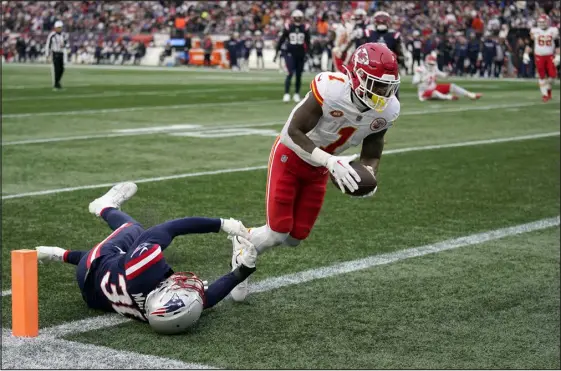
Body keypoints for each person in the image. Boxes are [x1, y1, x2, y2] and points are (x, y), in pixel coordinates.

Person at [229, 43, 401, 302]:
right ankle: (243, 251)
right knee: (278, 232)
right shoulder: (330, 89)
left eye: (387, 86)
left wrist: (370, 174)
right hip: (290, 157)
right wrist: (330, 161)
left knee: (295, 237)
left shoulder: (388, 111)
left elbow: (373, 152)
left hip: (320, 167)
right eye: (376, 84)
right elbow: (290, 133)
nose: (382, 93)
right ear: (356, 75)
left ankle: (247, 237)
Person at [35, 183, 256, 334]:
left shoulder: (142, 266)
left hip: (97, 263)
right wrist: (243, 270)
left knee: (134, 229)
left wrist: (222, 224)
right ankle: (58, 254)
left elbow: (171, 227)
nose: (187, 285)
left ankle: (103, 206)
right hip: (94, 296)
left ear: (162, 293)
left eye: (180, 289)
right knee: (119, 257)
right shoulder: (159, 313)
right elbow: (208, 299)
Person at [273, 9, 311, 103]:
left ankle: (296, 94)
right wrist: (276, 53)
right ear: (293, 18)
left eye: (299, 18)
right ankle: (286, 93)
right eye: (296, 18)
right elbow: (281, 40)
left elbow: (308, 42)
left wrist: (308, 53)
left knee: (298, 75)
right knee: (290, 73)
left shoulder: (305, 27)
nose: (298, 19)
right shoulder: (288, 27)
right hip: (290, 53)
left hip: (300, 53)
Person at [413, 54, 482, 101]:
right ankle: (449, 97)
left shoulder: (434, 68)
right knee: (435, 92)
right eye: (430, 64)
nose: (432, 65)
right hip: (424, 92)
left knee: (452, 86)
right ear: (426, 62)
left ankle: (470, 95)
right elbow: (414, 82)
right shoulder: (420, 70)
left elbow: (443, 76)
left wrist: (449, 72)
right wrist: (421, 80)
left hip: (434, 88)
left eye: (433, 64)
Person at [530, 14, 559, 102]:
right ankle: (545, 95)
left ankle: (548, 90)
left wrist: (558, 55)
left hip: (550, 55)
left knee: (553, 76)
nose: (542, 24)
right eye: (540, 22)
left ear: (548, 22)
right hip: (539, 55)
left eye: (543, 22)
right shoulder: (534, 30)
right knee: (541, 76)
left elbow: (557, 44)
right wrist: (526, 53)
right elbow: (530, 42)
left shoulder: (553, 30)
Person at [45, 21, 67, 90]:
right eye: (58, 27)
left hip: (61, 53)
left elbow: (65, 43)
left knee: (62, 69)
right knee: (56, 69)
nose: (60, 29)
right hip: (55, 53)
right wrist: (47, 55)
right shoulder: (52, 35)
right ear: (55, 28)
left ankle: (58, 82)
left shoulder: (63, 35)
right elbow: (48, 45)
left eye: (60, 27)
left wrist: (64, 45)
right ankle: (56, 84)